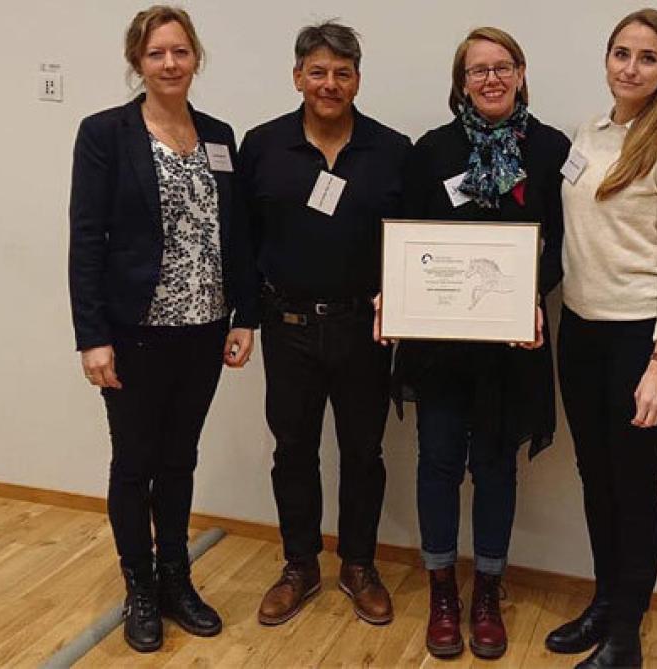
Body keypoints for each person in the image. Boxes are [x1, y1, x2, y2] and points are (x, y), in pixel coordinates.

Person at [67, 5, 257, 653]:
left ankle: (177, 578)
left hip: (204, 329)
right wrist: (92, 336)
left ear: (195, 57)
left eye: (180, 51)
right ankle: (140, 587)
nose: (170, 63)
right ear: (137, 62)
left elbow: (236, 233)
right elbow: (86, 240)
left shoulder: (219, 136)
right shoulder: (106, 134)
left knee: (179, 459)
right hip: (134, 331)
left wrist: (245, 314)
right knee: (135, 462)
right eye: (156, 54)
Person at [387, 27, 569, 660]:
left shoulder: (550, 150)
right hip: (441, 345)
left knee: (495, 469)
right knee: (437, 463)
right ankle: (442, 591)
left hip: (510, 347)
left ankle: (487, 592)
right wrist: (397, 292)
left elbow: (561, 245)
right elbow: (409, 236)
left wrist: (531, 295)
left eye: (502, 66)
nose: (491, 78)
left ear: (520, 73)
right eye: (477, 70)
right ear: (461, 83)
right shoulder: (431, 150)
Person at [544, 9, 657, 669]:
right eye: (621, 53)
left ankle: (625, 636)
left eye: (647, 57)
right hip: (580, 333)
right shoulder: (589, 133)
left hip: (641, 343)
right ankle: (606, 602)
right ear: (607, 59)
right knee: (595, 479)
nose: (631, 68)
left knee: (635, 489)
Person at [238, 21, 411, 627]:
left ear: (358, 80)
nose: (329, 84)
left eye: (342, 73)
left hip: (364, 328)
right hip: (286, 325)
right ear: (297, 78)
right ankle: (300, 565)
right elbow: (243, 241)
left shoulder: (393, 150)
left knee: (364, 452)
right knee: (293, 451)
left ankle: (358, 565)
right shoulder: (262, 146)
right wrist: (244, 319)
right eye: (317, 72)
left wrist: (403, 304)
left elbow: (411, 243)